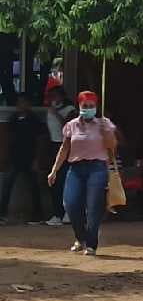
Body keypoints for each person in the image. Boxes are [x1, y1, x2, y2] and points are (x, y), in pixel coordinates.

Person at [45, 91, 115, 255]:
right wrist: (54, 170)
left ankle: (91, 244)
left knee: (94, 206)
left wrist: (106, 132)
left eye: (91, 106)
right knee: (70, 204)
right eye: (85, 106)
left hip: (97, 167)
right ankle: (80, 237)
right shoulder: (71, 125)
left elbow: (112, 146)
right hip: (76, 168)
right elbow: (64, 149)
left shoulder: (104, 124)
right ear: (79, 106)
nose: (88, 109)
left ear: (96, 107)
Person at [0, 94, 45, 226]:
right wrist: (6, 157)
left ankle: (38, 215)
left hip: (30, 157)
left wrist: (37, 159)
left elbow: (39, 140)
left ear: (28, 104)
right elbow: (8, 140)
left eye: (24, 103)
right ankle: (2, 214)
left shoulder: (34, 120)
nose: (21, 105)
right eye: (19, 103)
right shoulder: (13, 119)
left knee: (34, 186)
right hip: (15, 158)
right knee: (7, 185)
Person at [42, 86, 76, 226]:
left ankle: (68, 212)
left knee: (65, 180)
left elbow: (68, 128)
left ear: (62, 96)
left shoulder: (70, 110)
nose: (53, 99)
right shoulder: (49, 109)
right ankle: (57, 213)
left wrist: (55, 113)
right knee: (54, 181)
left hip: (66, 146)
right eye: (51, 96)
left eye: (55, 96)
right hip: (53, 145)